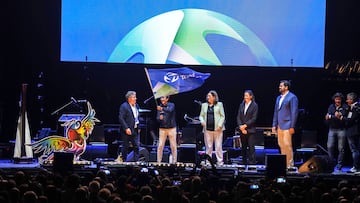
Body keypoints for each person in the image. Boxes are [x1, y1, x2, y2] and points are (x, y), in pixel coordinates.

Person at [272, 80, 298, 169]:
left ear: (286, 87)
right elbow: (276, 112)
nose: (279, 87)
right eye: (279, 86)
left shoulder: (292, 97)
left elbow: (294, 112)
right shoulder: (278, 98)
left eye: (281, 86)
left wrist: (292, 126)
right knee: (281, 145)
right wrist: (274, 124)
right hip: (280, 125)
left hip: (288, 125)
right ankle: (284, 164)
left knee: (287, 145)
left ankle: (290, 165)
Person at [199, 90, 226, 166]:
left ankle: (220, 162)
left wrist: (220, 125)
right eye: (207, 96)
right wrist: (202, 121)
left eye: (210, 96)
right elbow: (201, 115)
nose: (208, 97)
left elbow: (222, 116)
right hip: (207, 129)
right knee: (208, 147)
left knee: (218, 146)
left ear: (214, 97)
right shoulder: (204, 105)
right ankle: (208, 161)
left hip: (218, 129)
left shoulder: (219, 105)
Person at [337, 92, 360, 173]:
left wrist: (341, 117)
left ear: (351, 99)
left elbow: (351, 120)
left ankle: (356, 167)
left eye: (348, 99)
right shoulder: (351, 107)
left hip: (353, 132)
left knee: (354, 150)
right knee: (355, 150)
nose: (346, 101)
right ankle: (356, 167)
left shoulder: (357, 107)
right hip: (352, 131)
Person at [325, 92, 347, 171]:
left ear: (341, 100)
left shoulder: (345, 106)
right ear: (334, 99)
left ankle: (339, 164)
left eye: (339, 99)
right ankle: (330, 163)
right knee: (329, 146)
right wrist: (332, 116)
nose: (337, 101)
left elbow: (342, 116)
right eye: (336, 99)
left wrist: (332, 116)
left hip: (341, 129)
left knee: (341, 148)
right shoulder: (331, 106)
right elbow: (331, 116)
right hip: (332, 129)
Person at [236, 90, 258, 165]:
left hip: (250, 129)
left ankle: (252, 162)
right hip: (242, 130)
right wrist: (241, 127)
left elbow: (254, 118)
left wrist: (245, 126)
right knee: (243, 148)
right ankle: (244, 162)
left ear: (251, 96)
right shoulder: (241, 105)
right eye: (244, 95)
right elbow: (238, 116)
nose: (245, 97)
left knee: (251, 147)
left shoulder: (254, 105)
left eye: (246, 95)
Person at [118, 91, 140, 162]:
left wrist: (138, 126)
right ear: (129, 98)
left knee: (136, 146)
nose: (136, 98)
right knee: (125, 146)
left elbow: (136, 117)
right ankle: (124, 160)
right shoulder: (124, 106)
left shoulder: (137, 106)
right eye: (134, 97)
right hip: (126, 130)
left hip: (135, 129)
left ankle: (136, 161)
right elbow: (121, 118)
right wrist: (126, 128)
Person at [156, 96, 177, 163]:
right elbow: (157, 118)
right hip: (162, 129)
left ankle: (174, 161)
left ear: (167, 99)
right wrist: (160, 118)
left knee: (173, 146)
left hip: (172, 128)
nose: (162, 99)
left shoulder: (171, 105)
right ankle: (158, 161)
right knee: (160, 145)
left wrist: (162, 109)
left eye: (163, 98)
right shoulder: (159, 106)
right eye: (161, 98)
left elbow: (170, 110)